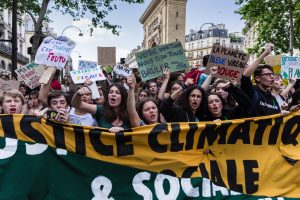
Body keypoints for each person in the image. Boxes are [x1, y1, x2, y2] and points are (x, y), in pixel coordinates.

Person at [241, 43, 287, 117]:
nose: (272, 77)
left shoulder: (273, 99)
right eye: (268, 74)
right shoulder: (252, 92)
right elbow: (245, 76)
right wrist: (265, 53)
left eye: (272, 74)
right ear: (257, 78)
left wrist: (283, 112)